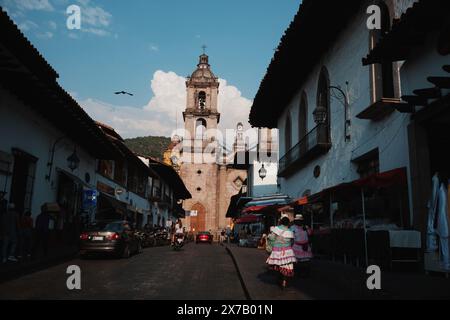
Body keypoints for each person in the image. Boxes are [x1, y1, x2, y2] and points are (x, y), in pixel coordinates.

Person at [266, 215, 296, 288]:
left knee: (279, 266)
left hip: (277, 252)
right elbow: (292, 242)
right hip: (288, 252)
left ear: (281, 222)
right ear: (288, 223)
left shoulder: (276, 229)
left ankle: (280, 279)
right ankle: (284, 281)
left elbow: (272, 238)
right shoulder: (290, 231)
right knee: (287, 266)